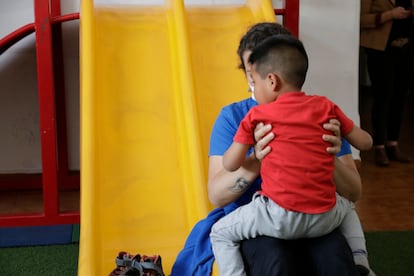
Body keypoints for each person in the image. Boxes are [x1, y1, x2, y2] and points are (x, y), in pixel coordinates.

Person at [171, 22, 367, 276]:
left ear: (274, 76)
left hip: (315, 213)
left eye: (256, 76)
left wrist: (325, 156)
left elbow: (354, 192)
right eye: (249, 75)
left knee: (335, 263)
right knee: (276, 262)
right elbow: (217, 196)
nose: (253, 83)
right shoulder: (234, 116)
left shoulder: (318, 113)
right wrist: (257, 159)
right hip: (258, 222)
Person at [360, 0, 414, 166]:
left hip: (406, 49)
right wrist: (389, 15)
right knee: (382, 97)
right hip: (380, 51)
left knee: (400, 96)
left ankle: (393, 143)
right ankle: (379, 147)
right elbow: (361, 20)